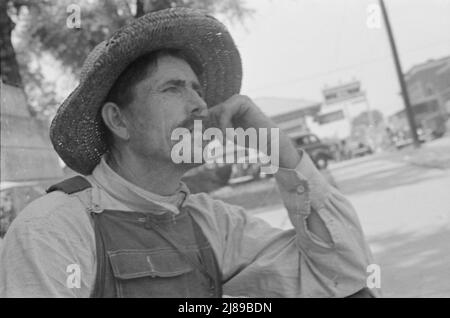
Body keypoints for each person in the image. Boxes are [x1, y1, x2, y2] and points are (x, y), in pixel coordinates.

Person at [0, 8, 377, 298]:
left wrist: (278, 150)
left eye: (197, 89)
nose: (199, 104)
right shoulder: (52, 229)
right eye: (173, 88)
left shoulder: (212, 221)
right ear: (118, 121)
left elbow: (341, 276)